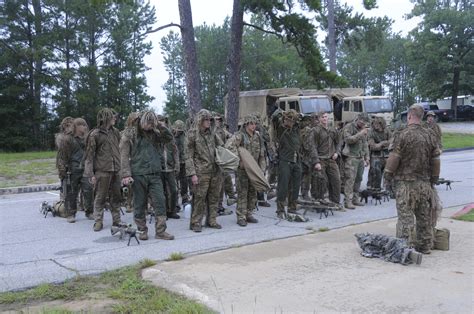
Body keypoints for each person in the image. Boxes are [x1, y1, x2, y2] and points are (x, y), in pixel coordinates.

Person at [384, 104, 441, 254]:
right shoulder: (429, 135)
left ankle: (406, 248)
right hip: (424, 183)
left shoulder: (401, 134)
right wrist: (434, 179)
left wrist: (387, 177)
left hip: (405, 184)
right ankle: (424, 245)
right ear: (422, 117)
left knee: (406, 217)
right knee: (424, 217)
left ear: (409, 116)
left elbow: (394, 159)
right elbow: (436, 159)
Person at [120, 111, 175, 240]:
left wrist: (160, 126)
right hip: (138, 174)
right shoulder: (130, 134)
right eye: (148, 123)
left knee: (160, 201)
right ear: (142, 121)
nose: (150, 126)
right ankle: (141, 230)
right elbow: (123, 155)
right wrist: (126, 174)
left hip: (155, 174)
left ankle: (160, 231)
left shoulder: (155, 134)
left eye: (152, 123)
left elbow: (169, 138)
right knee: (139, 203)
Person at [185, 109, 224, 232]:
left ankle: (211, 220)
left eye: (210, 120)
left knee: (214, 197)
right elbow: (188, 156)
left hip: (214, 171)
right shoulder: (192, 134)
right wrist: (192, 174)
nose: (208, 122)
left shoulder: (212, 133)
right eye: (206, 119)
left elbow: (221, 147)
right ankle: (196, 222)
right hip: (201, 172)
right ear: (200, 120)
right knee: (199, 198)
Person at [84, 108, 122, 231]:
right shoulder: (95, 134)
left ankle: (117, 221)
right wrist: (90, 174)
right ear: (106, 118)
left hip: (116, 169)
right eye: (112, 117)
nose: (115, 118)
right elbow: (89, 156)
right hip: (102, 171)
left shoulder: (116, 132)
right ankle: (98, 221)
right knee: (100, 197)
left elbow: (121, 148)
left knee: (116, 197)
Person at [226, 114, 266, 226]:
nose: (253, 126)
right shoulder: (240, 136)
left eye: (255, 124)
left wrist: (262, 168)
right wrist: (239, 161)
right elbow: (229, 146)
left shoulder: (257, 137)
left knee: (252, 192)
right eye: (251, 124)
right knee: (242, 193)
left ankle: (249, 213)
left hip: (254, 170)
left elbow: (262, 154)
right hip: (243, 170)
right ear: (246, 124)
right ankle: (241, 216)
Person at [56, 118, 94, 222]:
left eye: (85, 125)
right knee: (71, 192)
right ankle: (71, 213)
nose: (84, 127)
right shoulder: (68, 139)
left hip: (86, 169)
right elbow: (62, 156)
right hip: (72, 170)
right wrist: (62, 170)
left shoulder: (88, 139)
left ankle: (89, 211)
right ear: (76, 126)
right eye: (81, 125)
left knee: (89, 190)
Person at [271, 109, 302, 218]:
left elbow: (304, 120)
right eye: (289, 120)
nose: (290, 123)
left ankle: (292, 207)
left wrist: (296, 117)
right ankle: (280, 209)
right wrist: (283, 113)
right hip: (285, 160)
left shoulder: (296, 129)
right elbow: (274, 117)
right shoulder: (280, 129)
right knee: (283, 186)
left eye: (292, 121)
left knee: (296, 186)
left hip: (296, 159)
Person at [307, 112, 342, 204]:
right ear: (319, 119)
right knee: (320, 181)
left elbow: (339, 142)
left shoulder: (332, 130)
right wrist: (316, 161)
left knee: (336, 180)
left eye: (326, 117)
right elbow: (312, 146)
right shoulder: (315, 131)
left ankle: (335, 202)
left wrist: (337, 152)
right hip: (320, 159)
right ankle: (318, 201)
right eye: (322, 117)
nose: (325, 119)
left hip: (331, 159)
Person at [342, 113, 370, 209]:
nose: (363, 125)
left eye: (364, 124)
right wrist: (360, 133)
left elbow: (365, 143)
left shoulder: (363, 130)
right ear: (358, 119)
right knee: (350, 179)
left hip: (360, 157)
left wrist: (367, 157)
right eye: (362, 123)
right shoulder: (349, 127)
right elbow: (348, 140)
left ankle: (355, 198)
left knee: (358, 179)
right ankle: (347, 201)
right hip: (351, 157)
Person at [157, 115, 180, 220]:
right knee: (161, 192)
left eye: (163, 121)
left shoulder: (170, 136)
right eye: (159, 121)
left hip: (170, 167)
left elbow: (175, 151)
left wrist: (177, 164)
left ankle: (173, 210)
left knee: (173, 190)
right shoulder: (155, 136)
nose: (162, 123)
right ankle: (164, 212)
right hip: (159, 168)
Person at [213, 112, 237, 214]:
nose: (218, 121)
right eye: (216, 119)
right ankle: (217, 207)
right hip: (214, 161)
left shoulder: (222, 130)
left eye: (219, 119)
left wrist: (227, 146)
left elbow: (231, 137)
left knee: (223, 183)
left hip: (221, 161)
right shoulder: (212, 131)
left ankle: (221, 205)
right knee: (217, 186)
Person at [367, 117, 391, 190]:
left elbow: (392, 141)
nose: (375, 125)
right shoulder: (371, 132)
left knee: (388, 171)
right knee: (375, 171)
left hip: (386, 154)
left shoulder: (387, 131)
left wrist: (382, 143)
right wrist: (383, 144)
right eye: (374, 124)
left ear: (382, 124)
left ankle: (388, 188)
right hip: (375, 154)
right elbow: (373, 146)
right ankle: (374, 187)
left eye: (378, 124)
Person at [172, 119, 190, 205]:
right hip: (175, 163)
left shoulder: (186, 136)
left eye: (180, 130)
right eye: (178, 130)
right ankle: (175, 202)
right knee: (174, 183)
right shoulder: (171, 136)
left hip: (184, 162)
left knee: (184, 181)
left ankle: (185, 198)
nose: (179, 132)